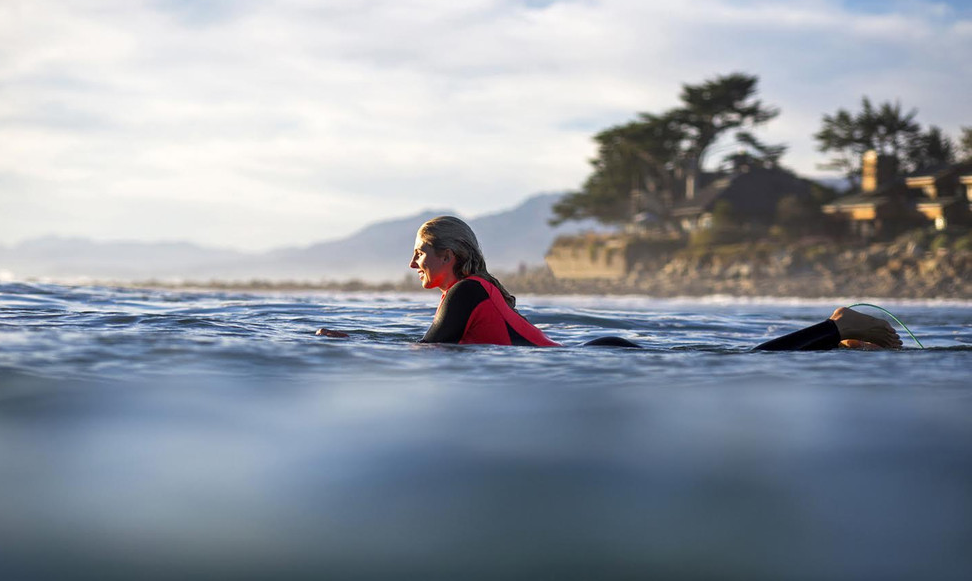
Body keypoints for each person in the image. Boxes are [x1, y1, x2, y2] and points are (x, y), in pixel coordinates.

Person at [317, 216, 902, 350]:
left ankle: (837, 325)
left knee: (742, 357)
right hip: (591, 356)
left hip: (587, 361)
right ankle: (838, 339)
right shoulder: (471, 291)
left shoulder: (468, 292)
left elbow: (431, 350)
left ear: (450, 255)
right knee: (736, 356)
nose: (413, 263)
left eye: (420, 253)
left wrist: (355, 342)